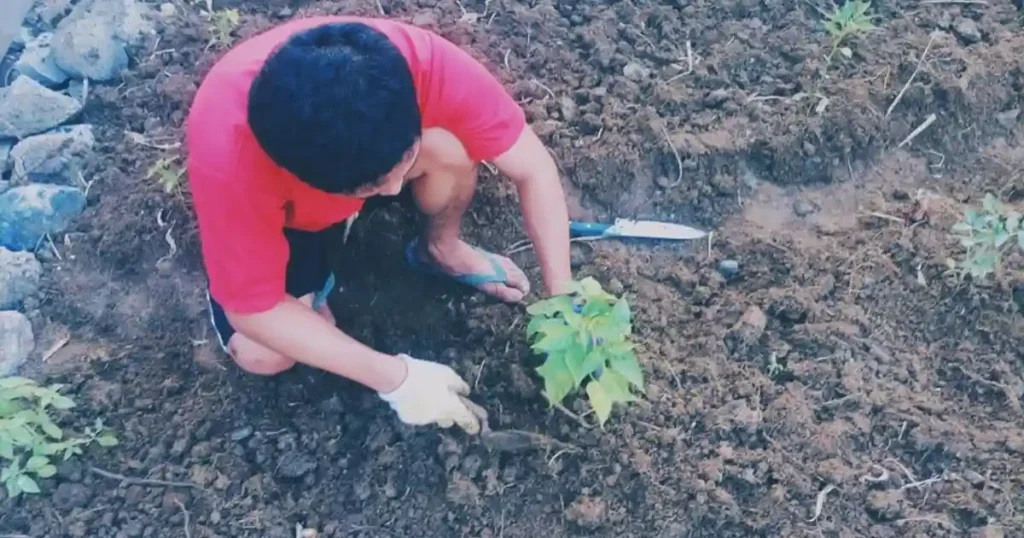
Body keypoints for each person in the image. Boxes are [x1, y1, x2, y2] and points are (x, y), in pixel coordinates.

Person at [184, 15, 573, 435]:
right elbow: (252, 311)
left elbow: (534, 169)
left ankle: (442, 248)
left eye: (401, 166)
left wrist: (563, 295)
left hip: (346, 165)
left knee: (453, 149)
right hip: (288, 217)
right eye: (371, 186)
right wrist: (398, 379)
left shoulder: (416, 63)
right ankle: (301, 262)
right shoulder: (231, 160)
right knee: (265, 354)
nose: (392, 193)